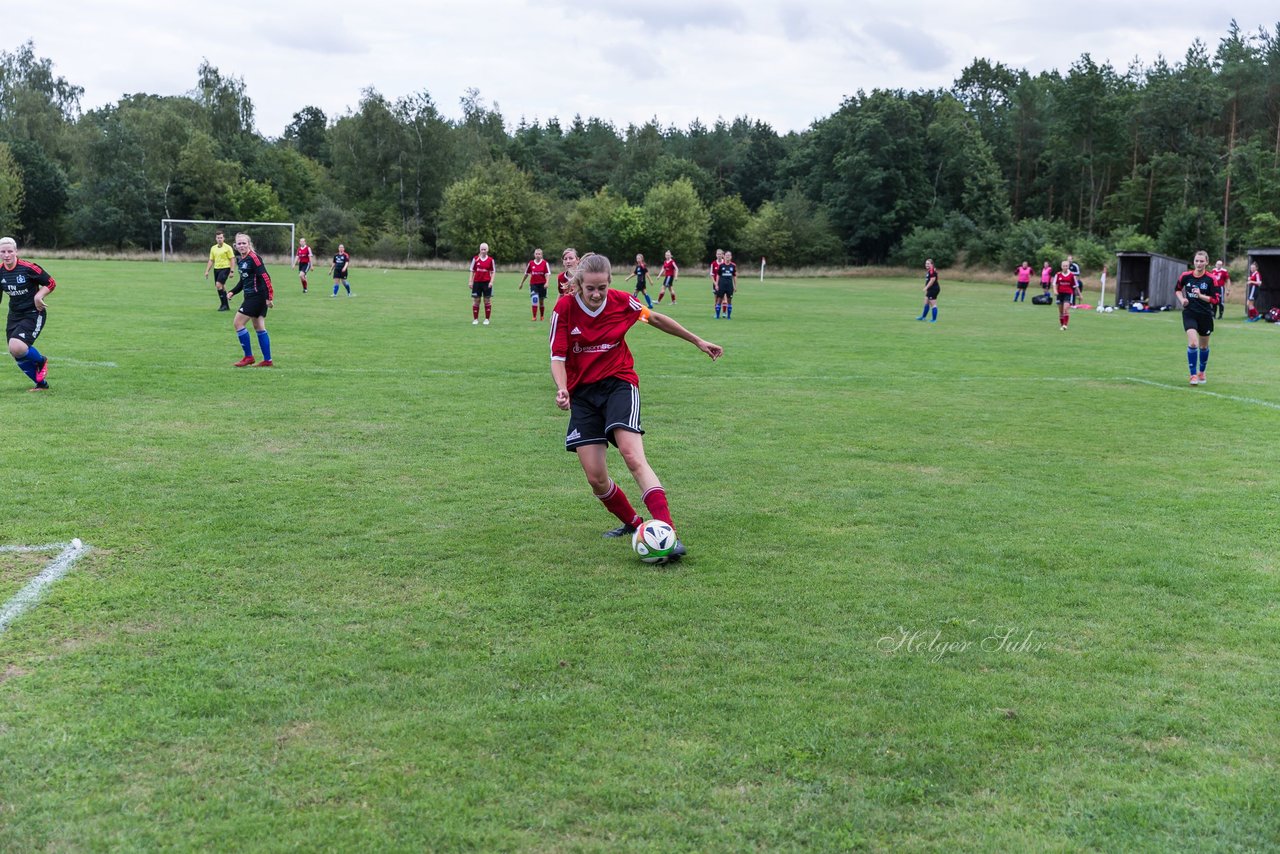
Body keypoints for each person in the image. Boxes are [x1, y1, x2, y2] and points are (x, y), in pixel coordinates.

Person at [549, 253, 723, 559]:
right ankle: (634, 523)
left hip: (619, 383)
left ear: (609, 283)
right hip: (583, 395)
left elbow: (653, 318)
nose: (596, 294)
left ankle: (666, 531)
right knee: (595, 477)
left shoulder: (621, 302)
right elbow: (558, 356)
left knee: (632, 455)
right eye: (590, 288)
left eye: (602, 287)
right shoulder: (564, 308)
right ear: (579, 284)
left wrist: (697, 340)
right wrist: (562, 388)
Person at [0, 236, 55, 391]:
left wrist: (39, 296)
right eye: (3, 251)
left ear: (16, 251)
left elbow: (50, 282)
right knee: (16, 352)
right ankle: (41, 385)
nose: (6, 255)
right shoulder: (0, 272)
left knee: (17, 346)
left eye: (10, 251)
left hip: (33, 312)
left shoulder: (29, 268)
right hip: (14, 315)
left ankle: (41, 361)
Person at [228, 232, 275, 367]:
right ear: (235, 245)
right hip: (252, 296)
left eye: (244, 243)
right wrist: (233, 292)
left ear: (249, 244)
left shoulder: (254, 258)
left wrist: (269, 297)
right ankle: (268, 360)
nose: (241, 245)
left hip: (256, 297)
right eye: (239, 243)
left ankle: (248, 357)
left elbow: (265, 277)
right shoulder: (242, 259)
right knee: (259, 327)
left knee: (238, 323)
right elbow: (244, 281)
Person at [1176, 250, 1221, 385]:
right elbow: (1177, 289)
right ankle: (1193, 375)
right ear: (1193, 262)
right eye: (1197, 261)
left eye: (1202, 261)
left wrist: (1201, 296)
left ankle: (1202, 371)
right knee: (1193, 343)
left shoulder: (1211, 279)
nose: (1199, 263)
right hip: (1190, 313)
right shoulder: (1185, 276)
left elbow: (1216, 300)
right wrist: (1182, 299)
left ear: (1207, 262)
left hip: (1205, 315)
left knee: (1203, 347)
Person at [203, 230, 235, 311]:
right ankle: (226, 305)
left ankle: (223, 305)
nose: (219, 239)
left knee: (218, 285)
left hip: (225, 268)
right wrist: (207, 271)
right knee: (222, 286)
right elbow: (211, 260)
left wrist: (232, 271)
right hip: (216, 269)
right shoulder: (213, 248)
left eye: (221, 238)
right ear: (216, 239)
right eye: (218, 238)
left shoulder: (228, 248)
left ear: (223, 238)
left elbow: (232, 259)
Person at [519, 247, 551, 321]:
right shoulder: (531, 263)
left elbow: (547, 274)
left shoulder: (545, 263)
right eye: (536, 254)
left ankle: (542, 316)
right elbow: (526, 274)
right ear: (534, 255)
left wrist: (547, 282)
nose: (538, 255)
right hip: (533, 285)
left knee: (541, 302)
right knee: (534, 299)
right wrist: (521, 283)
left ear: (541, 255)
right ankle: (534, 317)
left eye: (539, 254)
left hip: (542, 285)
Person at [469, 242, 496, 325]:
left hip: (486, 283)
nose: (483, 251)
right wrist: (470, 281)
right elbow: (472, 271)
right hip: (477, 283)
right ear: (480, 250)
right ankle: (475, 319)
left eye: (485, 249)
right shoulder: (475, 259)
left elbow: (493, 272)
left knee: (487, 301)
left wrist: (491, 282)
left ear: (487, 250)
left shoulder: (491, 260)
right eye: (482, 249)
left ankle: (487, 319)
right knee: (476, 300)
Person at [1054, 260, 1076, 330]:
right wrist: (1055, 291)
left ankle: (1065, 325)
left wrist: (1077, 294)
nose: (1065, 267)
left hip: (1068, 293)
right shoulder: (1058, 274)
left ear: (1068, 266)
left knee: (1065, 309)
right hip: (1060, 294)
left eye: (1066, 266)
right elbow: (1055, 284)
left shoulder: (1072, 275)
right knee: (1060, 311)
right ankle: (1062, 324)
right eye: (1064, 266)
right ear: (1061, 266)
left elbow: (1074, 286)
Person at [714, 251, 737, 319]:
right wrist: (717, 284)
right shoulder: (721, 265)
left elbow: (734, 276)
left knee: (729, 301)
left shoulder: (733, 265)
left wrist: (735, 286)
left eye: (729, 255)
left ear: (731, 257)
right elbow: (718, 275)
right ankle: (717, 316)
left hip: (729, 286)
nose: (727, 256)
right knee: (719, 300)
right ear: (724, 256)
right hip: (721, 285)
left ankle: (728, 316)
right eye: (726, 255)